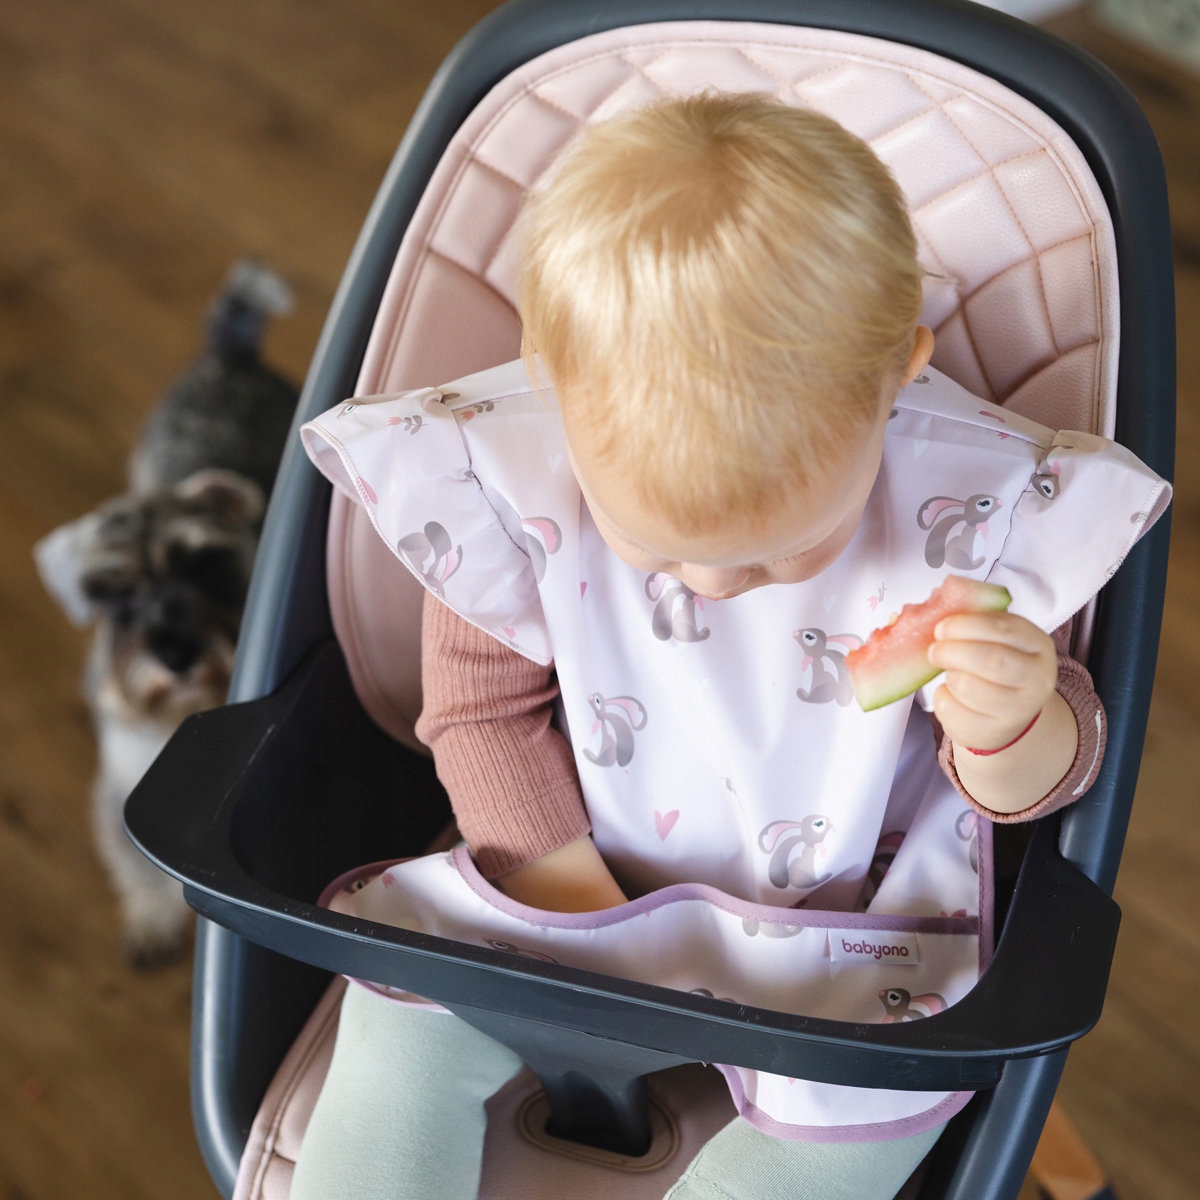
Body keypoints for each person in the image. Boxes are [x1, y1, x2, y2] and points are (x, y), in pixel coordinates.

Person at [293, 94, 1169, 1199]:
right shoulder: (515, 480)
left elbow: (1046, 790)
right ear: (551, 383)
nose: (710, 587)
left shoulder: (965, 513)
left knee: (830, 1145)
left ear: (897, 376)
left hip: (850, 943)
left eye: (782, 551)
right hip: (565, 878)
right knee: (395, 1039)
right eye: (656, 548)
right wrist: (580, 924)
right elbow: (479, 716)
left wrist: (1018, 725)